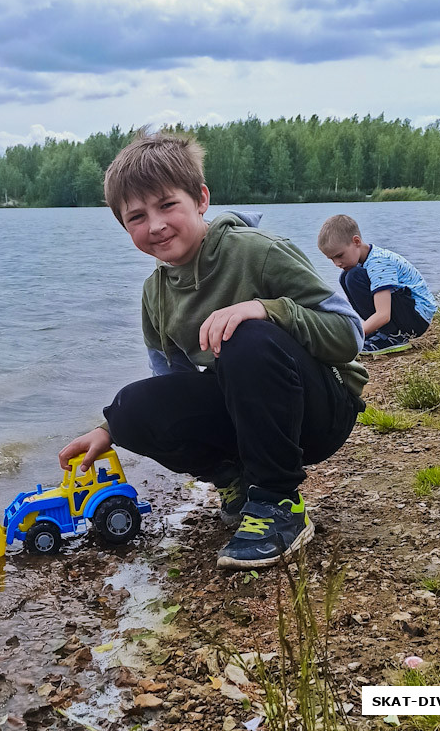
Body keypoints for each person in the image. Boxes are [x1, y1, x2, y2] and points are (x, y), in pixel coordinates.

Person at [58, 131, 368, 570]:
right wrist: (112, 429)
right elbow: (173, 390)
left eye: (167, 205)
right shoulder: (155, 295)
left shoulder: (258, 252)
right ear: (125, 227)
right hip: (252, 420)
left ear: (201, 199)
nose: (157, 225)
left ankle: (280, 505)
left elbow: (349, 334)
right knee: (129, 406)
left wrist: (266, 309)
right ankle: (238, 481)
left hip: (322, 412)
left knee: (245, 335)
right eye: (137, 217)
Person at [317, 214, 436, 355]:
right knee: (346, 276)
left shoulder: (378, 263)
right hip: (405, 313)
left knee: (353, 276)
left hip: (416, 318)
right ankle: (385, 332)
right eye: (332, 259)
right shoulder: (363, 263)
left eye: (340, 255)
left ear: (356, 241)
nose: (337, 263)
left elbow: (383, 314)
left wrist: (355, 335)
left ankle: (394, 336)